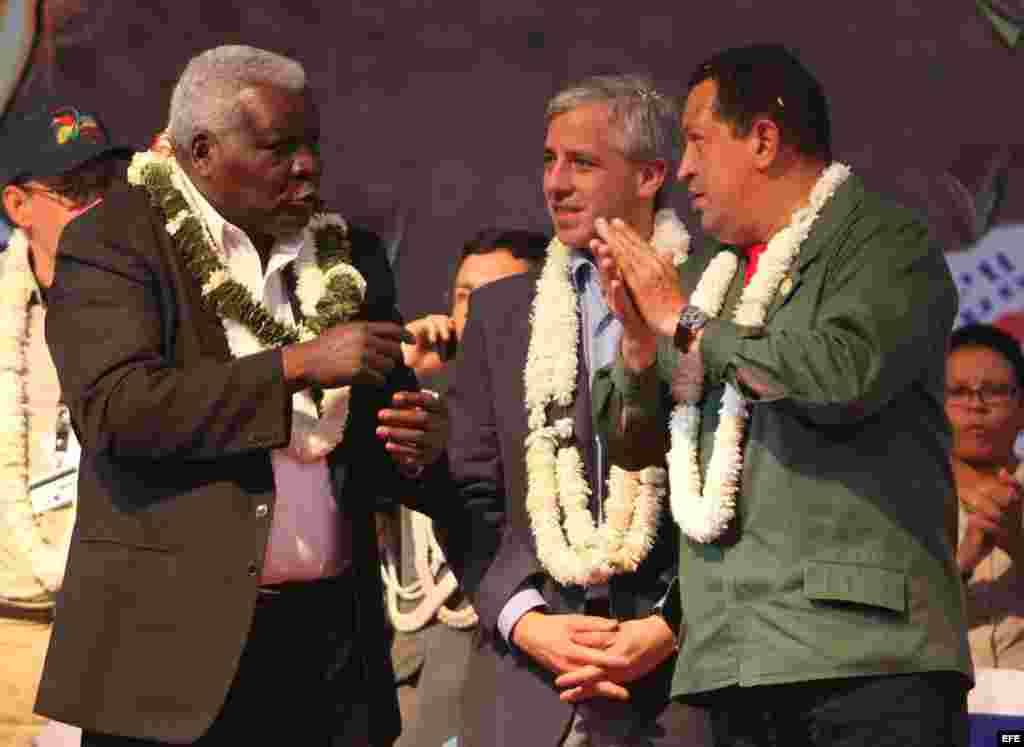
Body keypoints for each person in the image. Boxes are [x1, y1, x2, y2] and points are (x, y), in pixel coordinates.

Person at [33, 45, 452, 746]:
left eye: (312, 144)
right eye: (277, 147)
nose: (306, 165)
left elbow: (367, 448)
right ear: (201, 150)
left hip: (328, 660)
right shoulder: (115, 243)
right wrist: (293, 364)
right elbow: (117, 407)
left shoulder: (352, 254)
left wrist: (419, 448)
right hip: (171, 668)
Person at [591, 43, 973, 747]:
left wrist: (686, 322)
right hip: (720, 664)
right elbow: (629, 441)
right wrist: (640, 345)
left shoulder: (888, 243)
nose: (685, 170)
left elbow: (840, 373)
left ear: (763, 139)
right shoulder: (710, 277)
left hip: (861, 659)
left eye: (699, 142)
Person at [445, 75, 710, 747]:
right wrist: (527, 618)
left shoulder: (717, 294)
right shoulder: (503, 314)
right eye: (548, 159)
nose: (554, 183)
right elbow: (468, 489)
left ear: (651, 175)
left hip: (682, 680)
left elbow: (757, 491)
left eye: (582, 162)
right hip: (530, 687)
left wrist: (671, 622)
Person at [385, 228, 548, 747]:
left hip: (504, 672)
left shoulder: (556, 413)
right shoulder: (427, 398)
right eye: (464, 296)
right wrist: (400, 380)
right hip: (413, 684)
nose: (478, 313)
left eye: (499, 296)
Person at [0, 105, 129, 747]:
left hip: (120, 637)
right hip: (9, 634)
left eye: (108, 187)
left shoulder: (156, 304)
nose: (99, 208)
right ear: (19, 205)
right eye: (76, 193)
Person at [947, 323, 1024, 669]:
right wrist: (964, 559)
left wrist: (1015, 541)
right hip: (932, 708)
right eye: (959, 392)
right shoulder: (896, 501)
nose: (976, 406)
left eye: (993, 391)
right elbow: (881, 629)